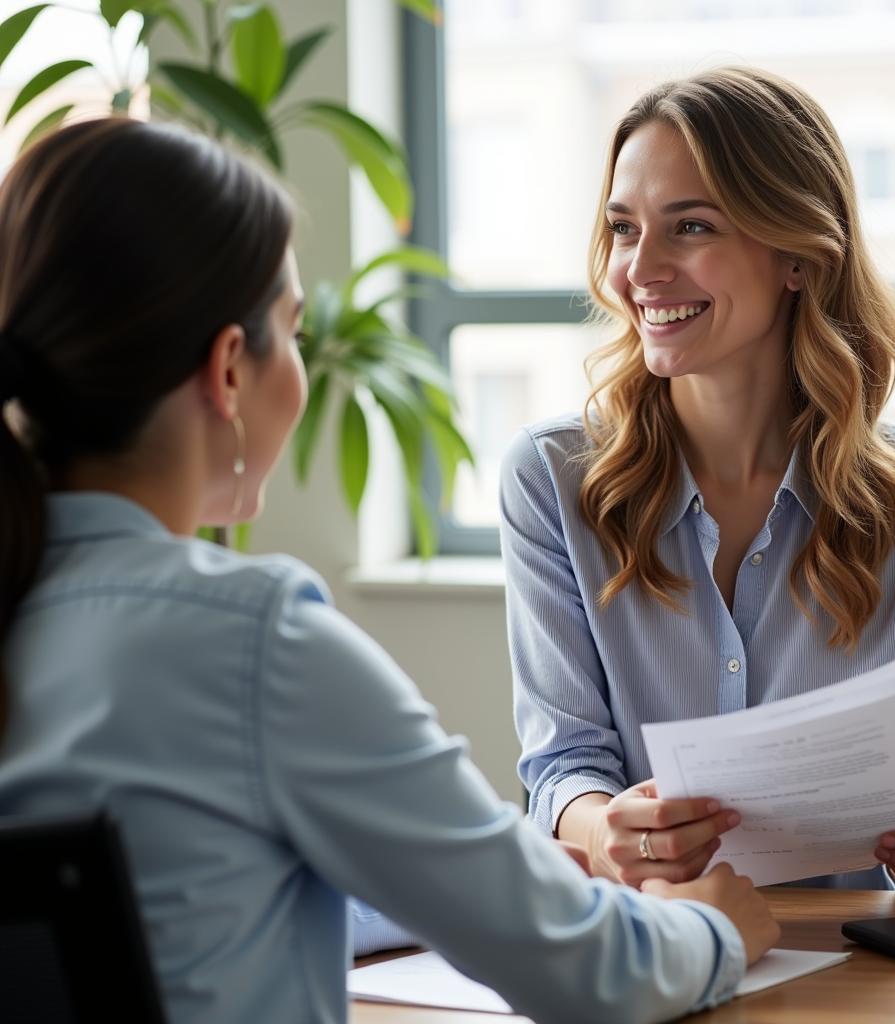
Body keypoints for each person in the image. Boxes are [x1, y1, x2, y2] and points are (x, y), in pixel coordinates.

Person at [0, 116, 780, 1024]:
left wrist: (446, 876)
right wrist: (711, 928)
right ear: (227, 372)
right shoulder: (254, 640)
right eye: (291, 332)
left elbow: (180, 878)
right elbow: (593, 975)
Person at [500, 67, 895, 913]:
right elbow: (562, 767)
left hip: (850, 972)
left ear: (799, 257)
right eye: (625, 229)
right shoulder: (552, 481)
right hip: (642, 950)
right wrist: (599, 828)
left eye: (689, 226)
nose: (640, 270)